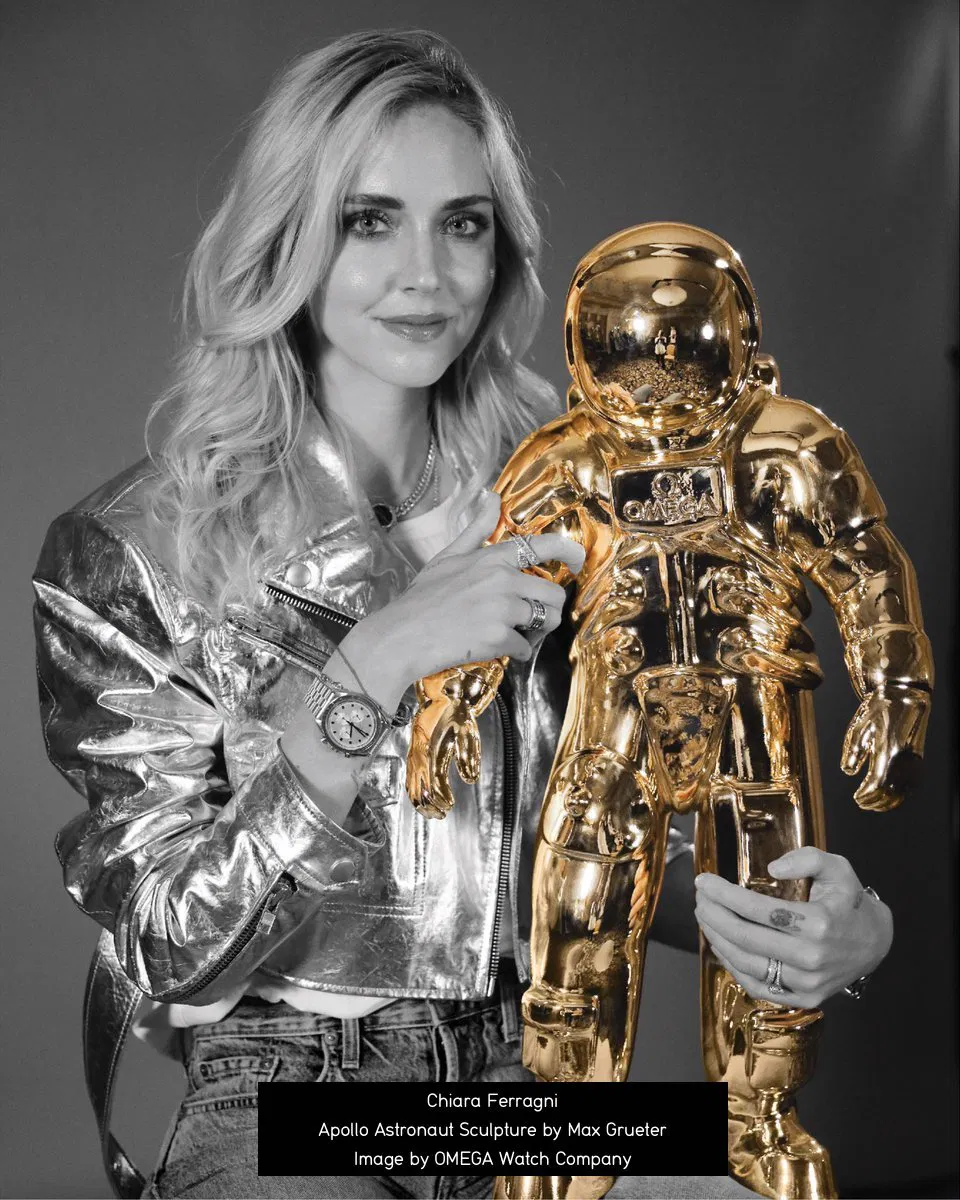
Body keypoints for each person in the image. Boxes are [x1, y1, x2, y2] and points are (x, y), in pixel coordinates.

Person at [31, 30, 895, 1200]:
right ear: (290, 238)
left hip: (530, 1084)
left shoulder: (579, 493)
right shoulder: (137, 545)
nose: (426, 274)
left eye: (464, 224)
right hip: (293, 1097)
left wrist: (831, 930)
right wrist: (375, 662)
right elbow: (163, 944)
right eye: (369, 220)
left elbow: (623, 823)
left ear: (503, 251)